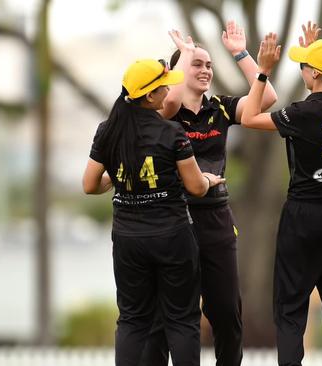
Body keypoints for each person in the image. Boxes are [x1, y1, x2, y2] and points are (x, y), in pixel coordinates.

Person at [143, 21, 278, 366]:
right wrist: (181, 56)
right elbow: (169, 98)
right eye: (196, 64)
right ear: (178, 71)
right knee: (171, 317)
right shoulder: (162, 113)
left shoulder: (219, 107)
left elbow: (268, 97)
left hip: (216, 219)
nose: (205, 70)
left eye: (208, 65)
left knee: (227, 315)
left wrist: (241, 54)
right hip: (173, 221)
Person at [240, 25, 322, 366]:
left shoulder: (303, 113)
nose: (300, 69)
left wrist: (263, 72)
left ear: (315, 73)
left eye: (304, 65)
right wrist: (317, 53)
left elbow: (249, 117)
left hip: (304, 215)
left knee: (290, 308)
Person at [82, 58, 224, 366]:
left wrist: (118, 180)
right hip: (172, 235)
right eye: (164, 86)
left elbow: (90, 184)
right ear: (149, 96)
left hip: (128, 239)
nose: (169, 90)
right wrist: (210, 179)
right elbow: (196, 187)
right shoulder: (171, 132)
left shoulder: (108, 131)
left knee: (133, 320)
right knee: (182, 320)